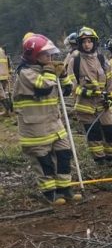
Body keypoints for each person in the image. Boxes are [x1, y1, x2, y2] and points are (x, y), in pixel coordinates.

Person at [13, 34, 80, 204]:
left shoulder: (46, 69)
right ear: (34, 55)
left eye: (50, 53)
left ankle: (65, 189)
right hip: (34, 127)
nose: (49, 57)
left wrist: (63, 75)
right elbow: (44, 87)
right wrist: (51, 72)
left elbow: (66, 90)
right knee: (43, 160)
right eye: (45, 54)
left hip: (54, 123)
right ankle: (50, 193)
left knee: (64, 153)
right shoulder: (25, 72)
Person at [63, 27, 112, 164]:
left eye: (89, 41)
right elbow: (71, 84)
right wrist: (85, 92)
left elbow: (111, 80)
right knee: (94, 134)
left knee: (109, 131)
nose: (87, 45)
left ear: (94, 42)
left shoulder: (102, 59)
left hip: (103, 104)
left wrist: (111, 97)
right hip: (85, 105)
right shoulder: (75, 61)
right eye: (84, 42)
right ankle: (99, 159)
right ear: (79, 44)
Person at [0, 44, 12, 116]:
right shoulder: (2, 51)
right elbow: (8, 62)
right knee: (3, 93)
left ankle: (7, 111)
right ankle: (8, 109)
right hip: (4, 75)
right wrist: (10, 72)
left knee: (2, 95)